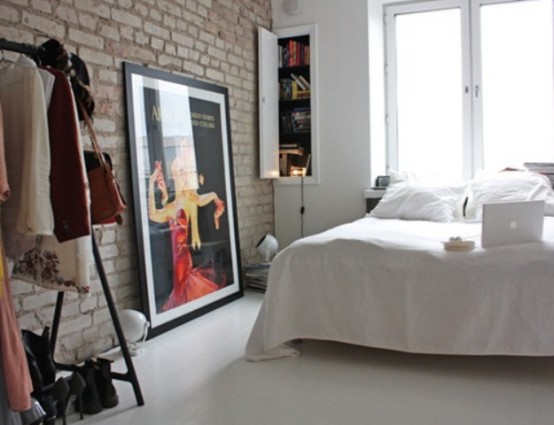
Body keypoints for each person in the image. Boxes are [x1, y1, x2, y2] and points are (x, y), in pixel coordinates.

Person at [148, 151, 226, 309]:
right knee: (181, 297)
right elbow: (153, 215)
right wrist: (151, 183)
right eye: (180, 172)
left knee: (184, 296)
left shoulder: (189, 201)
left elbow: (207, 197)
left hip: (184, 259)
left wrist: (216, 201)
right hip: (176, 261)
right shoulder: (171, 206)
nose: (183, 176)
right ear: (174, 175)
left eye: (186, 172)